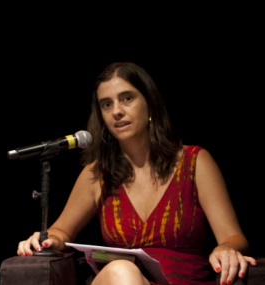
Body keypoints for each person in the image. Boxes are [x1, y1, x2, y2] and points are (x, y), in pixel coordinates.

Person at [17, 62, 256, 285]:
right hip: (120, 279)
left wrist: (225, 248)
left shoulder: (195, 162)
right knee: (121, 271)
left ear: (150, 103)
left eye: (127, 99)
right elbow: (61, 231)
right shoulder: (97, 173)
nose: (116, 111)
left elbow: (234, 237)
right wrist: (45, 239)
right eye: (106, 104)